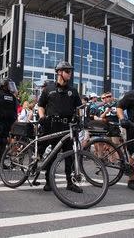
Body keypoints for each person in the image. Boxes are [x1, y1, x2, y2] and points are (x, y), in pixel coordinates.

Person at [37, 61, 82, 193]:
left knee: (70, 155)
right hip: (52, 125)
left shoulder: (73, 91)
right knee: (53, 154)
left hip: (68, 126)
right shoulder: (48, 89)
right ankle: (48, 181)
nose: (70, 74)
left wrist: (79, 120)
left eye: (70, 71)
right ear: (59, 72)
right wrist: (41, 116)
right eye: (67, 71)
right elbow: (40, 105)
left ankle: (70, 182)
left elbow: (79, 108)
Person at [0, 78, 18, 169]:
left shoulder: (12, 96)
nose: (11, 87)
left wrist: (14, 120)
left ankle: (0, 163)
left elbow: (15, 110)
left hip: (8, 122)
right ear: (4, 85)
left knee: (3, 142)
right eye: (9, 85)